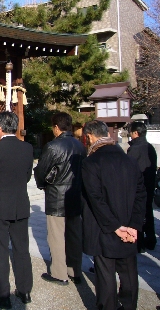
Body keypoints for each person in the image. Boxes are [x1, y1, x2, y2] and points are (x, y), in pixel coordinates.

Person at [81, 120, 146, 310]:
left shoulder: (91, 162)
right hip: (128, 225)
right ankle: (129, 305)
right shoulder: (130, 160)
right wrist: (133, 225)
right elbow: (141, 194)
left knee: (106, 274)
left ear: (90, 136)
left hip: (104, 227)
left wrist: (116, 227)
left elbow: (95, 198)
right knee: (128, 272)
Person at [0, 111, 34, 309]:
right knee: (21, 248)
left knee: (0, 250)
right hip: (20, 204)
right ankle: (25, 289)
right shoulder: (28, 148)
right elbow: (27, 175)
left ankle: (3, 295)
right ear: (16, 127)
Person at [34, 112, 86, 285]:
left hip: (57, 196)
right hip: (75, 195)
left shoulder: (53, 146)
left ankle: (59, 273)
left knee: (56, 236)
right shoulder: (80, 146)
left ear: (56, 128)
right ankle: (75, 270)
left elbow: (41, 170)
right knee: (74, 236)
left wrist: (42, 184)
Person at [127, 121, 158, 251]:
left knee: (137, 214)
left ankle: (138, 243)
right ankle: (150, 239)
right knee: (148, 212)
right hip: (149, 186)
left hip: (137, 187)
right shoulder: (150, 147)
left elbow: (129, 169)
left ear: (136, 133)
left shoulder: (134, 149)